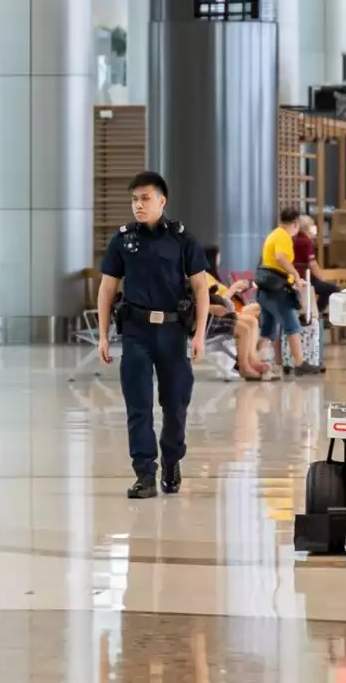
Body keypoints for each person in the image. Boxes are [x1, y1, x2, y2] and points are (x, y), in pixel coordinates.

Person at [97, 171, 211, 499]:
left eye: (145, 198)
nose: (138, 205)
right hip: (136, 332)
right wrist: (103, 335)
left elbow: (201, 287)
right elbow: (107, 289)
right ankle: (145, 473)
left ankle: (172, 459)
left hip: (173, 333)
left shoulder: (182, 239)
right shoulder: (123, 240)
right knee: (139, 405)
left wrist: (199, 334)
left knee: (175, 404)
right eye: (134, 199)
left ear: (162, 201)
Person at [255, 208, 322, 377]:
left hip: (266, 288)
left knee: (268, 329)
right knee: (292, 325)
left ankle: (254, 360)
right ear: (296, 223)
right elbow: (280, 258)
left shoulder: (274, 234)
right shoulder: (284, 236)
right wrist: (296, 276)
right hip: (276, 289)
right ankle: (300, 363)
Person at [202, 246, 272, 381]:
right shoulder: (202, 278)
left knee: (252, 321)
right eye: (217, 257)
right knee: (249, 322)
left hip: (227, 309)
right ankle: (244, 365)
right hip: (220, 313)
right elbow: (219, 300)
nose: (219, 259)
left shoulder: (209, 276)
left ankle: (251, 359)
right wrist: (234, 288)